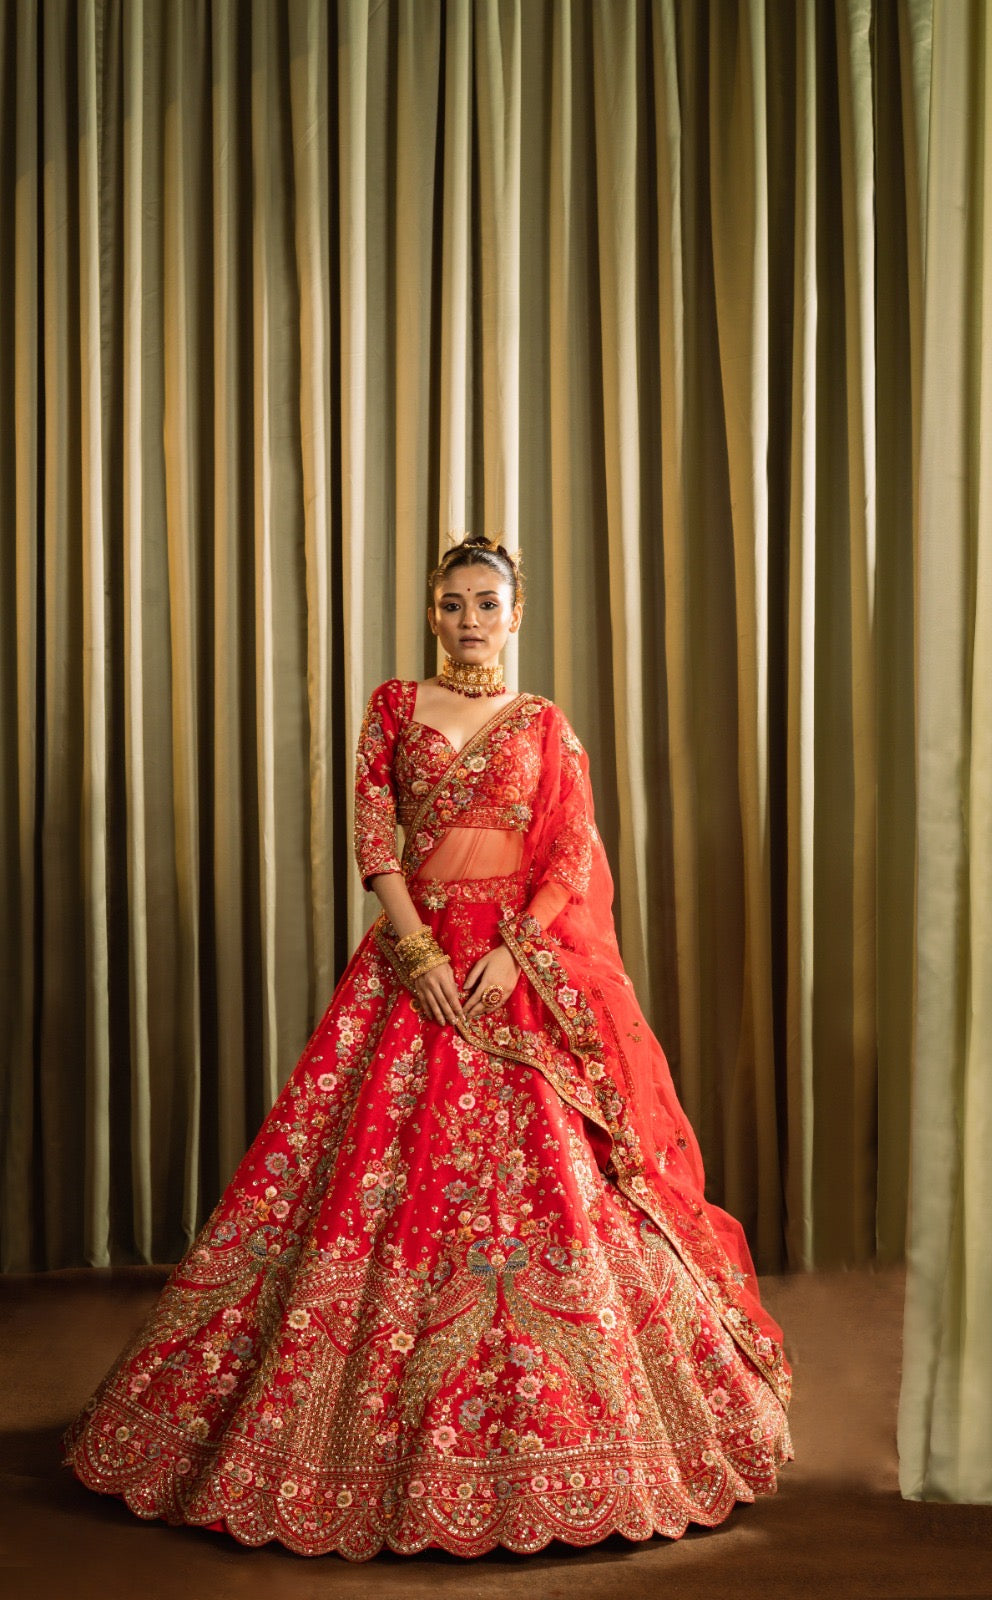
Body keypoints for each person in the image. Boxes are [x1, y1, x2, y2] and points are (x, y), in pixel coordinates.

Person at [64, 532, 792, 1561]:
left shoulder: (542, 723)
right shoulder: (395, 707)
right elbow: (375, 833)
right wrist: (416, 949)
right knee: (358, 1177)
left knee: (557, 1190)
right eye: (450, 603)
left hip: (512, 970)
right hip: (415, 967)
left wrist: (515, 950)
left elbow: (569, 849)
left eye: (484, 604)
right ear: (431, 610)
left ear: (517, 610)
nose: (465, 621)